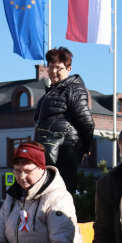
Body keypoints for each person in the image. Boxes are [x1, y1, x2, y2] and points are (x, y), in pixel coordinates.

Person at [34, 46, 95, 195]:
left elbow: (86, 121)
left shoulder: (73, 89)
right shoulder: (52, 91)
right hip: (50, 149)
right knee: (49, 191)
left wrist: (85, 147)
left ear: (69, 69)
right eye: (50, 67)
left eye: (58, 68)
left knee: (62, 192)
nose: (53, 71)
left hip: (65, 150)